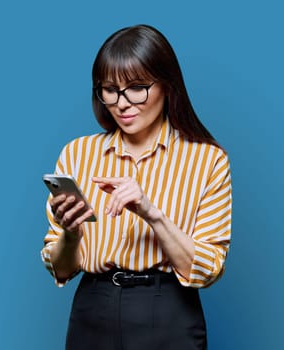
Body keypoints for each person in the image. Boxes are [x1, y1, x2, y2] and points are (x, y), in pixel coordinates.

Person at [41, 24, 232, 350]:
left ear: (167, 85)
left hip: (168, 310)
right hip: (93, 307)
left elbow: (208, 269)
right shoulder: (78, 154)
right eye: (110, 89)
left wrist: (152, 214)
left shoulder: (208, 161)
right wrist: (71, 234)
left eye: (137, 87)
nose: (122, 103)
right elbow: (60, 268)